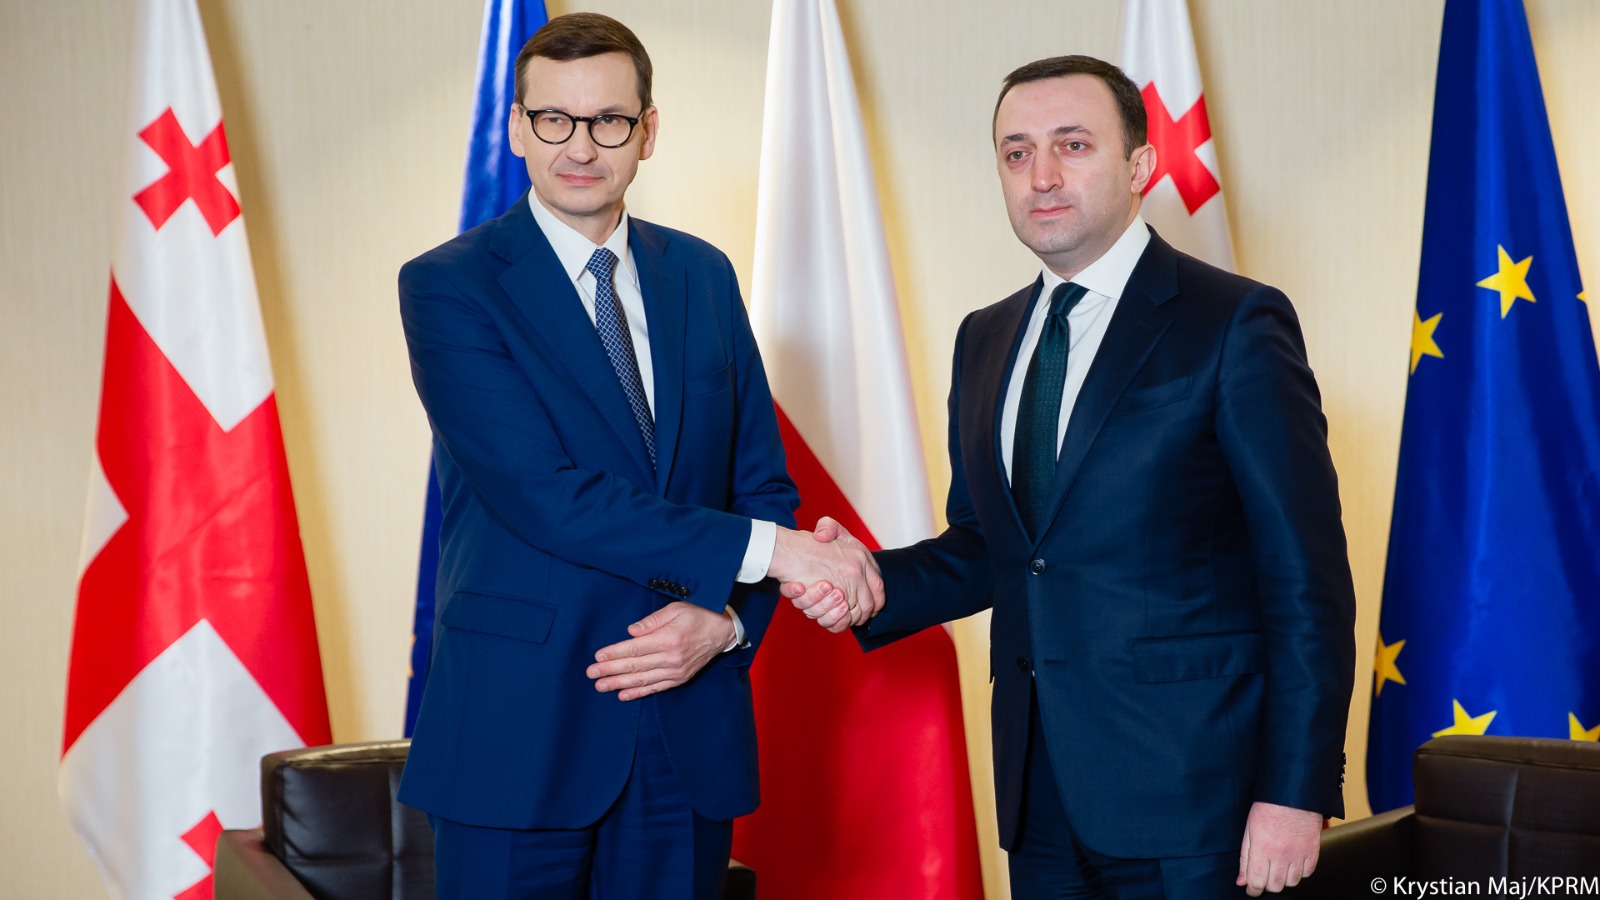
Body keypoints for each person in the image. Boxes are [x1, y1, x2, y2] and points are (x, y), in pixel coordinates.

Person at [789, 55, 1355, 899]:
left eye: (1073, 145)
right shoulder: (984, 338)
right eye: (1016, 153)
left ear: (1140, 165)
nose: (1042, 176)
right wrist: (868, 582)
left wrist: (1295, 791)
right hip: (1040, 799)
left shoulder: (1234, 321)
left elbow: (1305, 578)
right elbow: (994, 548)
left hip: (1202, 802)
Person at [396, 13, 880, 899]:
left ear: (647, 130)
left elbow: (759, 481)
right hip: (520, 732)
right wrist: (780, 554)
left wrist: (727, 624)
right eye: (554, 119)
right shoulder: (449, 286)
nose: (581, 147)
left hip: (684, 734)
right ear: (517, 128)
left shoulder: (703, 275)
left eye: (610, 121)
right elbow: (546, 495)